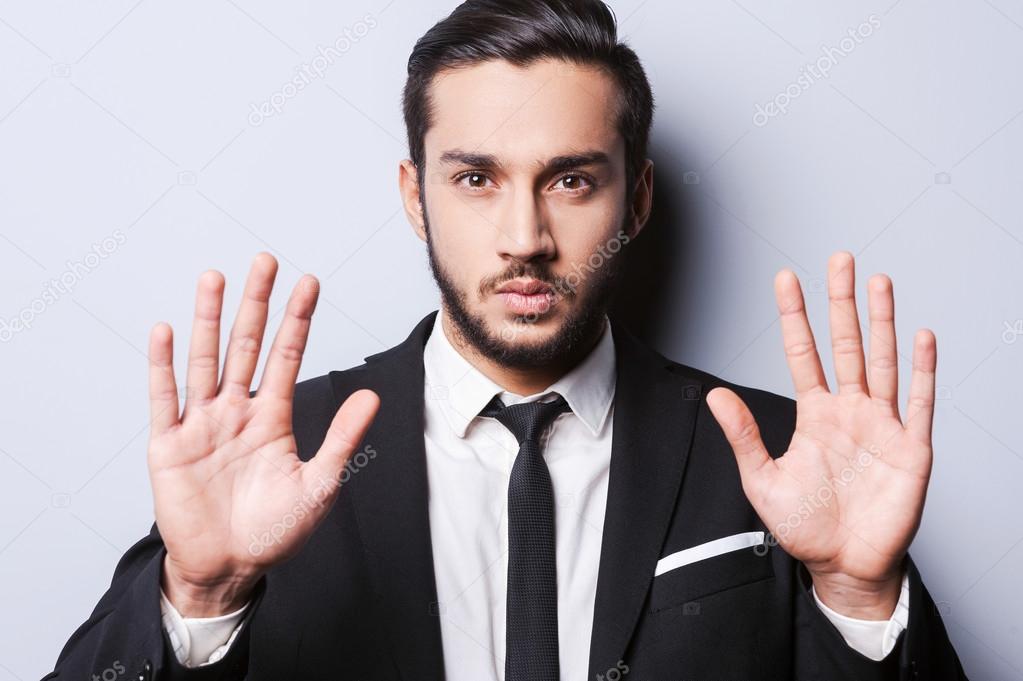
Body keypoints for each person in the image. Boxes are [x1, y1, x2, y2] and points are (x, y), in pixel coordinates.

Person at [44, 1, 968, 679]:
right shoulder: (280, 449)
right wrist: (199, 598)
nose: (523, 234)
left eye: (570, 180)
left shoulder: (776, 453)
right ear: (415, 196)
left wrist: (857, 600)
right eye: (476, 178)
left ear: (635, 199)